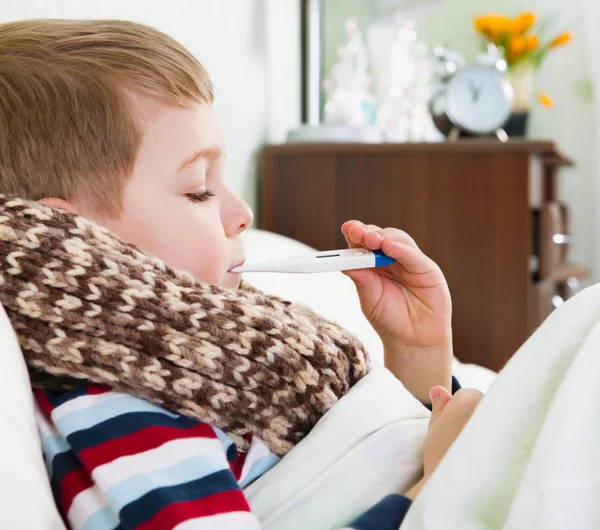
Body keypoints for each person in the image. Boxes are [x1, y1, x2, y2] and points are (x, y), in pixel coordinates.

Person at [0, 18, 481, 529]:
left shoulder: (212, 350)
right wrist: (443, 486)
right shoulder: (122, 407)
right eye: (199, 190)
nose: (242, 211)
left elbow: (379, 452)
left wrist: (419, 348)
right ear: (74, 233)